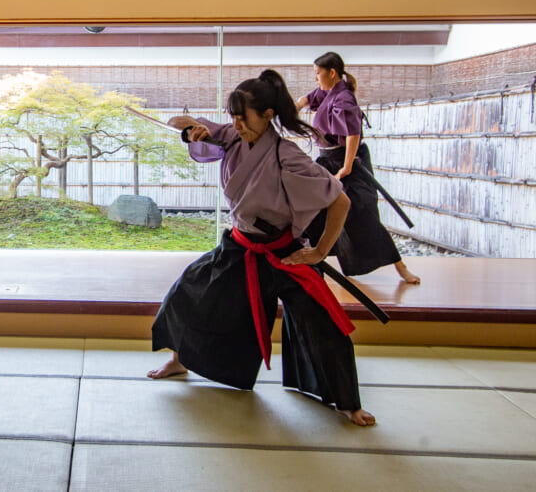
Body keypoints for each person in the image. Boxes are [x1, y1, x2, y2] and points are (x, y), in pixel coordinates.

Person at [148, 69, 375, 427]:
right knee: (188, 291)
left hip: (284, 252)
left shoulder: (287, 155)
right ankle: (180, 360)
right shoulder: (232, 137)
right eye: (232, 117)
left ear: (268, 115)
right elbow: (179, 122)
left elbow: (340, 201)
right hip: (240, 246)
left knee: (323, 324)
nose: (236, 125)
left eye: (243, 117)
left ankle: (348, 403)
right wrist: (192, 128)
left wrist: (319, 252)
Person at [296, 52, 420, 284]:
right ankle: (306, 262)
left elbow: (353, 134)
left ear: (332, 73)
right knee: (311, 207)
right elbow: (309, 97)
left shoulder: (344, 99)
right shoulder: (329, 92)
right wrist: (296, 106)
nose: (315, 78)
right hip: (328, 160)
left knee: (363, 215)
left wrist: (346, 168)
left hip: (348, 161)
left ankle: (400, 266)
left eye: (318, 73)